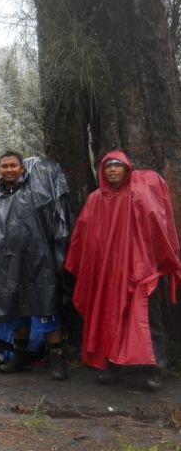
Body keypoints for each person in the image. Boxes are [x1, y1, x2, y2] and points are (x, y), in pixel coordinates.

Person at [64, 150, 181, 391]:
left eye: (118, 166)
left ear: (128, 169)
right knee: (111, 319)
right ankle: (114, 367)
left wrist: (156, 261)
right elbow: (83, 236)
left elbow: (156, 223)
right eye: (108, 166)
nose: (113, 170)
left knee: (148, 321)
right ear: (103, 171)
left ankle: (155, 370)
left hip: (142, 272)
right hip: (108, 274)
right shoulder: (96, 199)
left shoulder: (139, 193)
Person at [0, 150, 71, 380]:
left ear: (22, 168)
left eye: (13, 165)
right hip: (9, 265)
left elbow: (56, 223)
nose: (8, 170)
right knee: (15, 310)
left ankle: (57, 357)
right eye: (4, 166)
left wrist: (57, 255)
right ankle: (20, 355)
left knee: (46, 308)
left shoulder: (37, 192)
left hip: (39, 262)